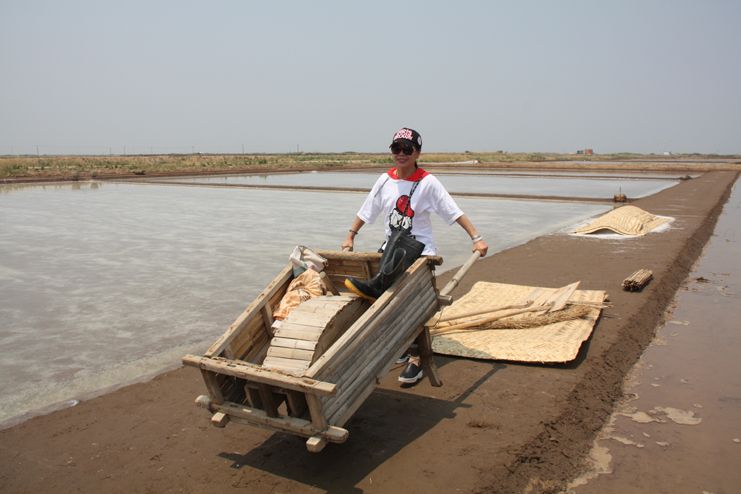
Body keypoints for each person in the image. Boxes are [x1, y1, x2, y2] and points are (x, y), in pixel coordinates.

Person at [341, 127, 489, 384]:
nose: (401, 154)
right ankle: (402, 346)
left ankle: (417, 359)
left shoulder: (427, 182)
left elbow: (452, 211)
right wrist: (351, 235)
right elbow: (367, 209)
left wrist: (476, 238)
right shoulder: (385, 180)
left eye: (407, 149)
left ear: (417, 153)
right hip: (392, 251)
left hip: (420, 253)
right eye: (396, 148)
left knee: (411, 307)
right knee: (388, 303)